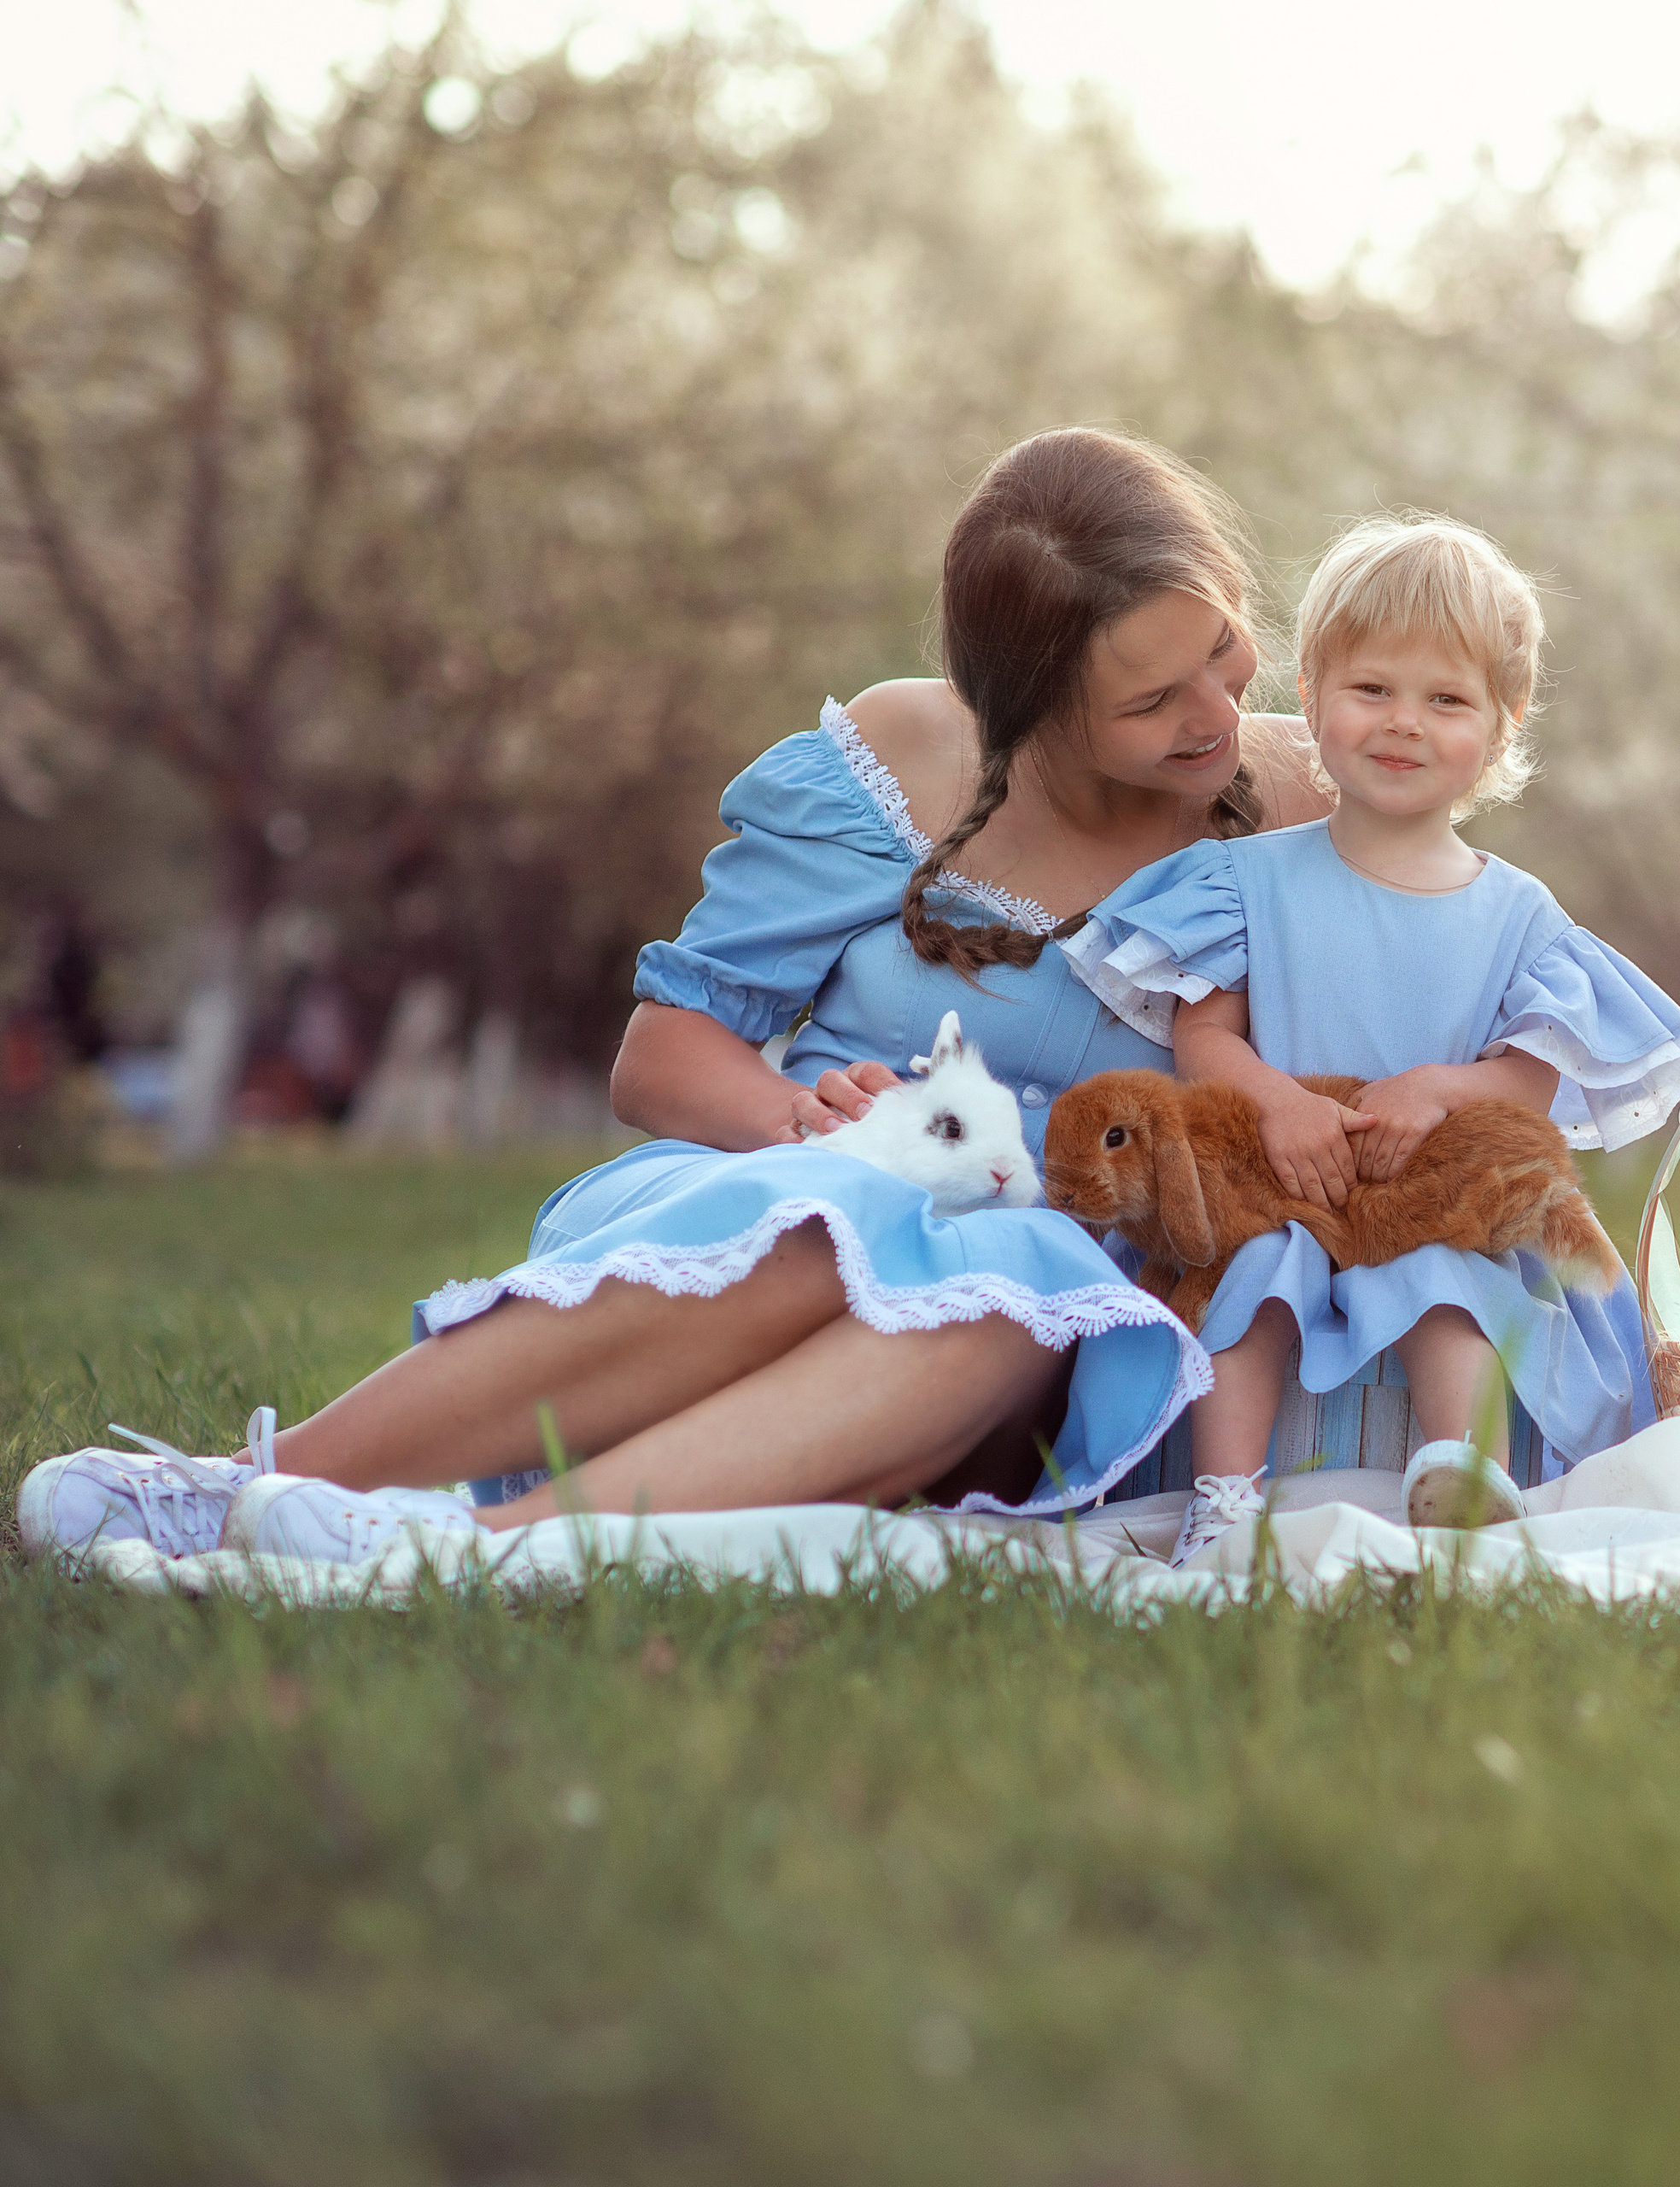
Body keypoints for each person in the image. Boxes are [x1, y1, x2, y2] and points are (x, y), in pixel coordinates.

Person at [17, 429, 1329, 1567]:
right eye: (1150, 702)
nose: (1216, 715)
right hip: (767, 1237)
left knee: (1010, 1277)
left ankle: (480, 1551)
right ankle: (252, 1487)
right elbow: (664, 1057)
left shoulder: (1307, 801)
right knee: (857, 1210)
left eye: (1222, 650)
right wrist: (811, 1123)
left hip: (1029, 1340)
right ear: (1024, 710)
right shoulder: (903, 756)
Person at [1062, 513, 1680, 1565]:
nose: (1403, 723)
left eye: (1446, 700)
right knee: (1247, 1269)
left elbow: (1529, 1084)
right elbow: (1203, 1038)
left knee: (1447, 1281)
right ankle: (1223, 1503)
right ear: (1310, 698)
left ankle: (1465, 1481)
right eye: (1371, 689)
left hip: (1432, 1204)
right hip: (1280, 1184)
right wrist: (1280, 1103)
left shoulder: (1519, 916)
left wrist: (1440, 1089)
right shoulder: (1246, 881)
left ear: (1500, 725)